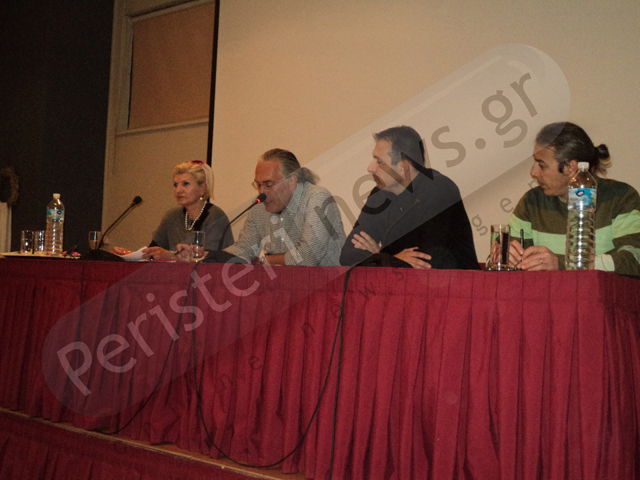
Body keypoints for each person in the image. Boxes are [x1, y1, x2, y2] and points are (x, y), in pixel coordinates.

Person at [508, 122, 640, 276]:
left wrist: (562, 264)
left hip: (599, 292)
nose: (533, 172)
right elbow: (508, 262)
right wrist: (503, 257)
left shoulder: (621, 197)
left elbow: (634, 260)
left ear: (570, 168)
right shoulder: (531, 202)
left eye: (541, 165)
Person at [339, 125, 479, 270]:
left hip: (456, 282)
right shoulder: (379, 196)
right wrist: (388, 260)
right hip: (404, 283)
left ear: (403, 167)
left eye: (379, 161)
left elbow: (426, 261)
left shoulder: (439, 190)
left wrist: (381, 257)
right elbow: (347, 255)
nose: (370, 168)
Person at [224, 149, 346, 266]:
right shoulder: (258, 209)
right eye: (258, 185)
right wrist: (216, 257)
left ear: (292, 182)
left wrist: (266, 259)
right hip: (284, 280)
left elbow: (307, 257)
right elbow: (244, 249)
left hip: (330, 279)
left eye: (268, 184)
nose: (261, 192)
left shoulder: (317, 198)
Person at [137, 160, 232, 260]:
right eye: (175, 185)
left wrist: (170, 255)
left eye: (185, 184)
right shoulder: (172, 216)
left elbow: (206, 258)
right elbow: (153, 252)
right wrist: (129, 255)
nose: (178, 190)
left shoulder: (215, 216)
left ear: (202, 188)